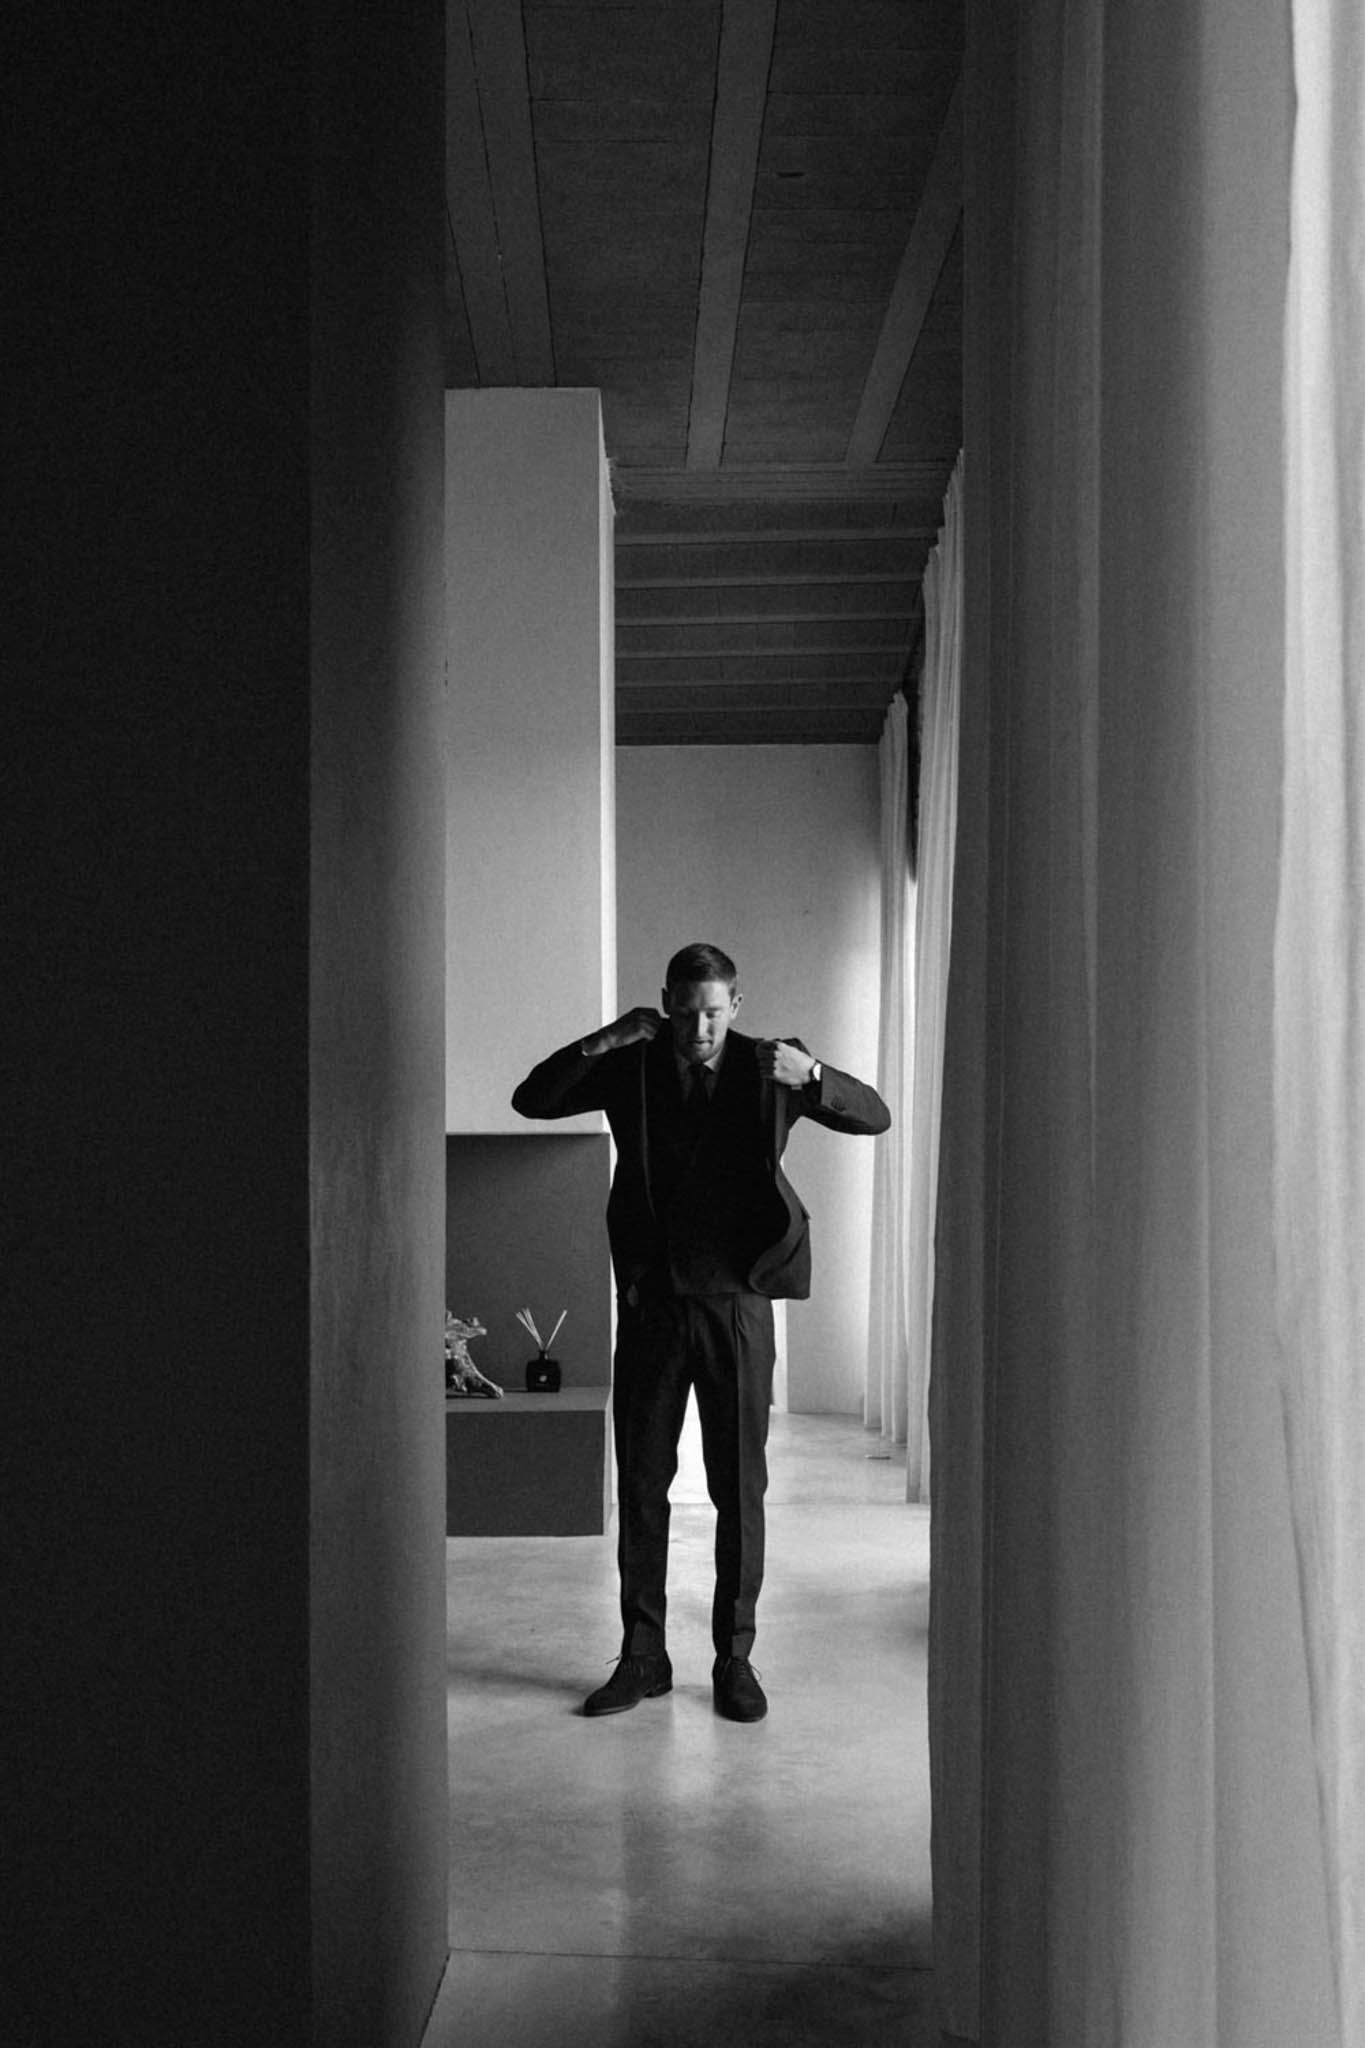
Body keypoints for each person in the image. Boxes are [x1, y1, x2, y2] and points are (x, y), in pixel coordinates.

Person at [511, 942, 891, 1723]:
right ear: (665, 1001)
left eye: (712, 1013)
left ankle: (734, 1660)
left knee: (736, 1491)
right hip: (653, 1307)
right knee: (642, 1486)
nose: (697, 1029)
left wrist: (813, 1077)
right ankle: (643, 1658)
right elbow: (532, 1101)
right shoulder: (633, 1061)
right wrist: (601, 1040)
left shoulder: (768, 1063)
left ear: (735, 1005)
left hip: (738, 1308)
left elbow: (873, 1115)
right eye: (684, 1013)